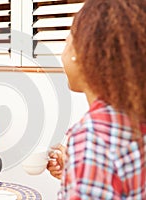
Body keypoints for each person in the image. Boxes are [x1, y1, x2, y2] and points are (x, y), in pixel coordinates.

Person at [47, 0, 146, 199]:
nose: (63, 53)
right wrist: (76, 170)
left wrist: (85, 159)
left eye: (67, 42)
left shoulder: (93, 137)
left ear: (84, 52)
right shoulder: (134, 115)